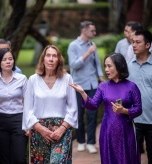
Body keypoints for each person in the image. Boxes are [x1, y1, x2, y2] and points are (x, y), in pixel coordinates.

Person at [70, 53, 142, 164]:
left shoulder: (131, 86)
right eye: (105, 66)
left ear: (119, 66)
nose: (106, 69)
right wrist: (83, 92)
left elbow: (139, 109)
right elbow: (93, 105)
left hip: (126, 131)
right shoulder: (103, 86)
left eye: (109, 66)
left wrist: (124, 111)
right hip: (107, 131)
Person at [22, 45, 78, 163]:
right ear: (43, 59)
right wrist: (40, 128)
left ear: (59, 60)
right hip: (39, 130)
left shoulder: (67, 79)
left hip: (62, 129)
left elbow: (73, 108)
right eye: (48, 56)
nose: (51, 59)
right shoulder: (33, 80)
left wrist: (62, 129)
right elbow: (27, 109)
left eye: (54, 56)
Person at [67, 20, 105, 153]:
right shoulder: (73, 46)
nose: (95, 33)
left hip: (92, 84)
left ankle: (91, 142)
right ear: (84, 31)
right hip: (78, 85)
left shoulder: (92, 45)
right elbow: (73, 65)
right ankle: (81, 141)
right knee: (79, 114)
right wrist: (87, 53)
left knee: (92, 114)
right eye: (92, 31)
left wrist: (101, 77)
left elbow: (97, 64)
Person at [0, 39, 22, 164]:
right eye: (0, 51)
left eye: (7, 51)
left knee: (18, 156)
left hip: (16, 118)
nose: (5, 56)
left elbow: (24, 99)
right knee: (0, 156)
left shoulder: (18, 73)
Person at [0, 48, 28, 164]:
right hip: (0, 120)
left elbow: (27, 102)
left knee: (19, 158)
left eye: (10, 59)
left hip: (18, 119)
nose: (8, 62)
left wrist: (28, 124)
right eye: (4, 59)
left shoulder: (22, 79)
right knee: (4, 158)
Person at [127, 30, 152, 164]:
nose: (134, 45)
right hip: (133, 120)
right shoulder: (129, 65)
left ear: (147, 45)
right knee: (132, 156)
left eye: (138, 42)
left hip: (151, 120)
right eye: (133, 42)